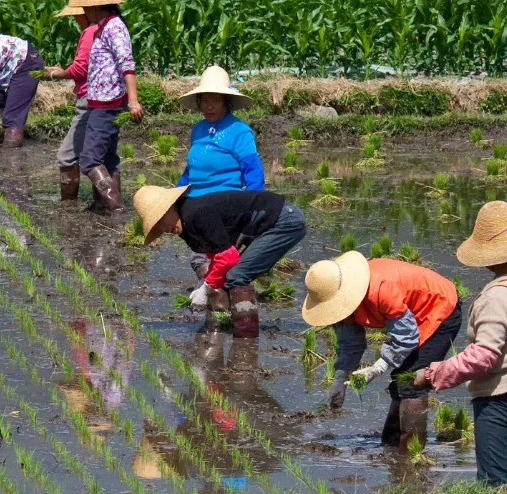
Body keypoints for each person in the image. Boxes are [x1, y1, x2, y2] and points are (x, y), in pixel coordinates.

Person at [302, 251, 462, 453]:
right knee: (400, 380)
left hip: (439, 307)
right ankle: (391, 445)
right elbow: (351, 344)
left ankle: (410, 455)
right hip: (411, 315)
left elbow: (406, 337)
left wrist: (377, 368)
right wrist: (340, 379)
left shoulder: (381, 289)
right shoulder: (343, 303)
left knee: (412, 381)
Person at [413, 201, 507, 485]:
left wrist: (433, 374)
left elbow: (483, 356)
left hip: (499, 400)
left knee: (495, 483)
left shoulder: (496, 296)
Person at [132, 184, 305, 338]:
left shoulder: (196, 213)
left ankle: (246, 341)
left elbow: (229, 256)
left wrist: (206, 288)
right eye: (157, 227)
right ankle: (243, 332)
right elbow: (217, 256)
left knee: (237, 276)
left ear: (171, 207)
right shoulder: (185, 222)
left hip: (284, 220)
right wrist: (204, 283)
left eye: (161, 221)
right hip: (268, 224)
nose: (164, 229)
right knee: (232, 274)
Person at [175, 65, 265, 298]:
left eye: (214, 100)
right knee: (202, 260)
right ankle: (215, 303)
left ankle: (230, 306)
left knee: (223, 262)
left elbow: (253, 174)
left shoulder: (239, 131)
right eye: (204, 100)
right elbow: (191, 170)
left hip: (224, 209)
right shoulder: (198, 130)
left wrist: (251, 213)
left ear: (227, 101)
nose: (209, 105)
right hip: (196, 208)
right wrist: (174, 198)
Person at [78, 0, 143, 212]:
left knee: (89, 160)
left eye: (85, 8)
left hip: (108, 102)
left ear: (96, 7)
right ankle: (103, 206)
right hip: (101, 101)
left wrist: (133, 100)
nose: (84, 12)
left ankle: (116, 208)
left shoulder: (114, 27)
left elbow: (127, 64)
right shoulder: (102, 27)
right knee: (108, 158)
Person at [40, 2, 96, 201]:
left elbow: (81, 69)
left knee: (67, 156)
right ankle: (105, 206)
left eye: (77, 15)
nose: (75, 19)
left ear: (86, 12)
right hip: (104, 98)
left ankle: (69, 208)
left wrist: (55, 74)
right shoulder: (107, 29)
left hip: (89, 99)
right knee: (104, 155)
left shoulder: (90, 32)